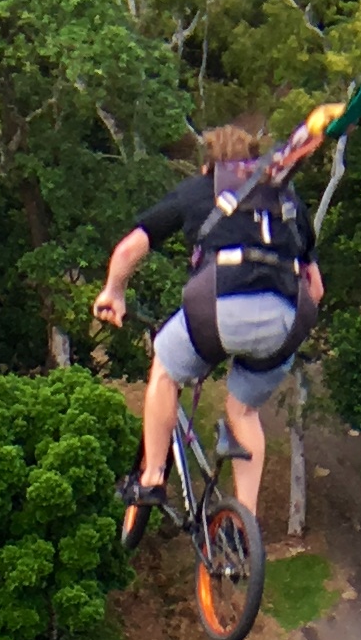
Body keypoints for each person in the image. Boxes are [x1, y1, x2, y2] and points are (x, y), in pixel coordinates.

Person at [97, 123, 322, 541]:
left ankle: (151, 477)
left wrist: (114, 292)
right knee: (244, 411)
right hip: (283, 320)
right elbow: (317, 288)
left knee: (165, 370)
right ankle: (245, 524)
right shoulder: (287, 198)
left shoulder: (199, 191)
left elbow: (130, 248)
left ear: (208, 164)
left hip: (217, 310)